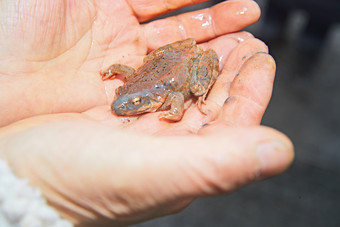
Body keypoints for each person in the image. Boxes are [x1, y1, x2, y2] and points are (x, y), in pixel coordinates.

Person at [0, 0, 294, 226]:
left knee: (194, 86)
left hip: (184, 67)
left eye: (132, 103)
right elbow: (125, 70)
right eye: (123, 97)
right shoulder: (132, 87)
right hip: (164, 65)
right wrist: (113, 72)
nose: (123, 106)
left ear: (147, 100)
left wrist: (175, 112)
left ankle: (202, 86)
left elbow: (178, 96)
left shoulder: (163, 95)